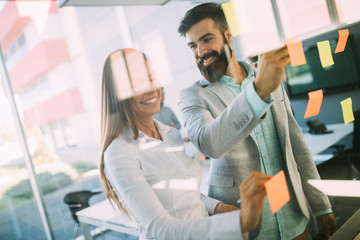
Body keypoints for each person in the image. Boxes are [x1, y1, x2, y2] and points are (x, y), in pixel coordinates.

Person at [177, 3, 337, 240]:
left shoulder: (268, 77)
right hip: (244, 225)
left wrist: (321, 205)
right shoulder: (193, 95)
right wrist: (259, 91)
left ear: (228, 35)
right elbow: (209, 143)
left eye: (207, 39)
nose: (199, 52)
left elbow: (296, 147)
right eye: (192, 45)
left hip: (292, 216)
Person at [99, 48, 272, 240]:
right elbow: (160, 229)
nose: (150, 88)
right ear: (117, 95)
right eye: (137, 83)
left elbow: (186, 197)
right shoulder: (119, 153)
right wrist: (241, 222)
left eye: (150, 77)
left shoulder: (170, 134)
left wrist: (218, 206)